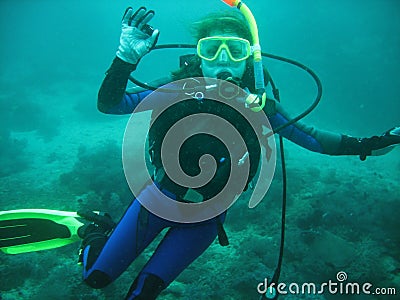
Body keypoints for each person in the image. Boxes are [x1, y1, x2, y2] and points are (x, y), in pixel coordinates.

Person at [79, 6, 400, 299]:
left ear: (249, 59)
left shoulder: (259, 107)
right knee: (95, 278)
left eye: (234, 51)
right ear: (198, 55)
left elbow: (314, 140)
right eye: (211, 49)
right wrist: (125, 58)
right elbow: (111, 104)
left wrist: (370, 144)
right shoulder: (175, 90)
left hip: (206, 220)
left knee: (143, 294)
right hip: (157, 202)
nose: (221, 60)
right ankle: (98, 233)